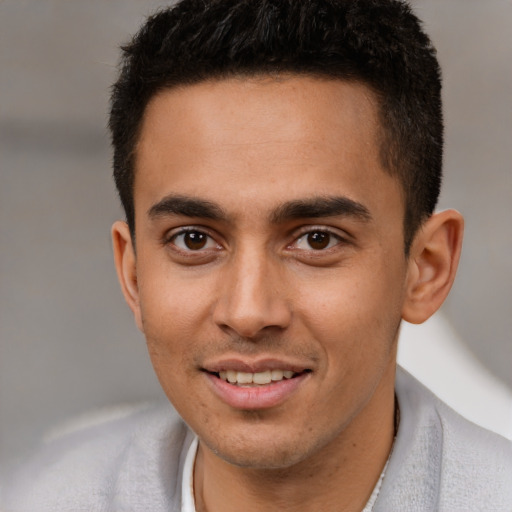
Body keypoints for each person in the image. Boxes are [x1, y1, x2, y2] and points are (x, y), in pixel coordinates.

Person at [2, 0, 511, 510]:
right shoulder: (40, 497)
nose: (248, 313)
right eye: (194, 240)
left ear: (426, 269)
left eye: (317, 239)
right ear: (133, 275)